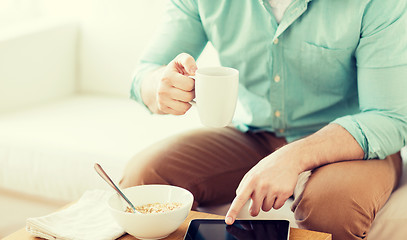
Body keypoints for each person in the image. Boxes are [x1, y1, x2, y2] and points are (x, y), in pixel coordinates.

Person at [120, 0, 407, 239]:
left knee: (333, 206)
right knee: (143, 178)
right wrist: (159, 84)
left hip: (349, 146)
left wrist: (294, 157)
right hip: (252, 134)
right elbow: (144, 75)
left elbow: (390, 118)